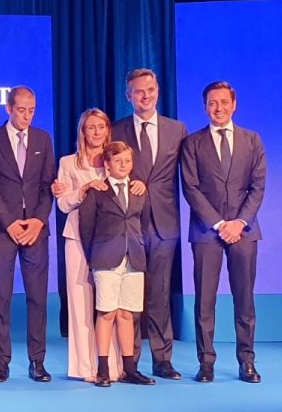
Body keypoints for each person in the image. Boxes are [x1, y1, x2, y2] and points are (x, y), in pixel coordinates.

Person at [181, 80, 267, 383]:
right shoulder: (192, 143)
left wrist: (238, 223)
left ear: (234, 104)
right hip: (206, 233)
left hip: (244, 232)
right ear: (205, 107)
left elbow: (257, 188)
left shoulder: (252, 140)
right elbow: (190, 188)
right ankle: (206, 362)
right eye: (212, 103)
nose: (218, 108)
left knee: (245, 300)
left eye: (223, 102)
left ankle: (247, 362)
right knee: (205, 300)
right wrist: (219, 224)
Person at [111, 68, 189, 380]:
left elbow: (189, 176)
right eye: (139, 92)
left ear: (158, 91)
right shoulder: (116, 130)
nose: (146, 96)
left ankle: (163, 359)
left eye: (151, 90)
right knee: (129, 296)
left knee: (159, 292)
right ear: (128, 96)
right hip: (128, 223)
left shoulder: (177, 130)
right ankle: (130, 362)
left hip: (164, 223)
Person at [0, 86, 56, 382]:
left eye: (31, 110)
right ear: (8, 109)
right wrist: (9, 222)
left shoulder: (43, 139)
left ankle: (37, 362)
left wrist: (37, 220)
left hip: (36, 231)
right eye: (21, 109)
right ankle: (2, 362)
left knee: (37, 297)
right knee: (1, 297)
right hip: (4, 230)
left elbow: (48, 184)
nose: (27, 116)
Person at [80, 141, 154, 387]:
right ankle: (102, 369)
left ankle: (130, 369)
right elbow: (86, 228)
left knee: (127, 314)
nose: (123, 165)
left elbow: (143, 224)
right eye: (118, 161)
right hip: (105, 259)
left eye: (127, 161)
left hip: (134, 258)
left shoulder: (138, 191)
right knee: (107, 312)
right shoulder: (97, 192)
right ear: (107, 164)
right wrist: (93, 258)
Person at [53, 108, 118, 382]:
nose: (96, 132)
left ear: (107, 129)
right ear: (83, 131)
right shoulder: (68, 163)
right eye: (90, 127)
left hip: (110, 239)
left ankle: (111, 366)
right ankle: (83, 367)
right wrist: (85, 189)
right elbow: (63, 203)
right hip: (77, 237)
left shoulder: (115, 159)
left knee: (109, 303)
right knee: (80, 301)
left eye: (100, 127)